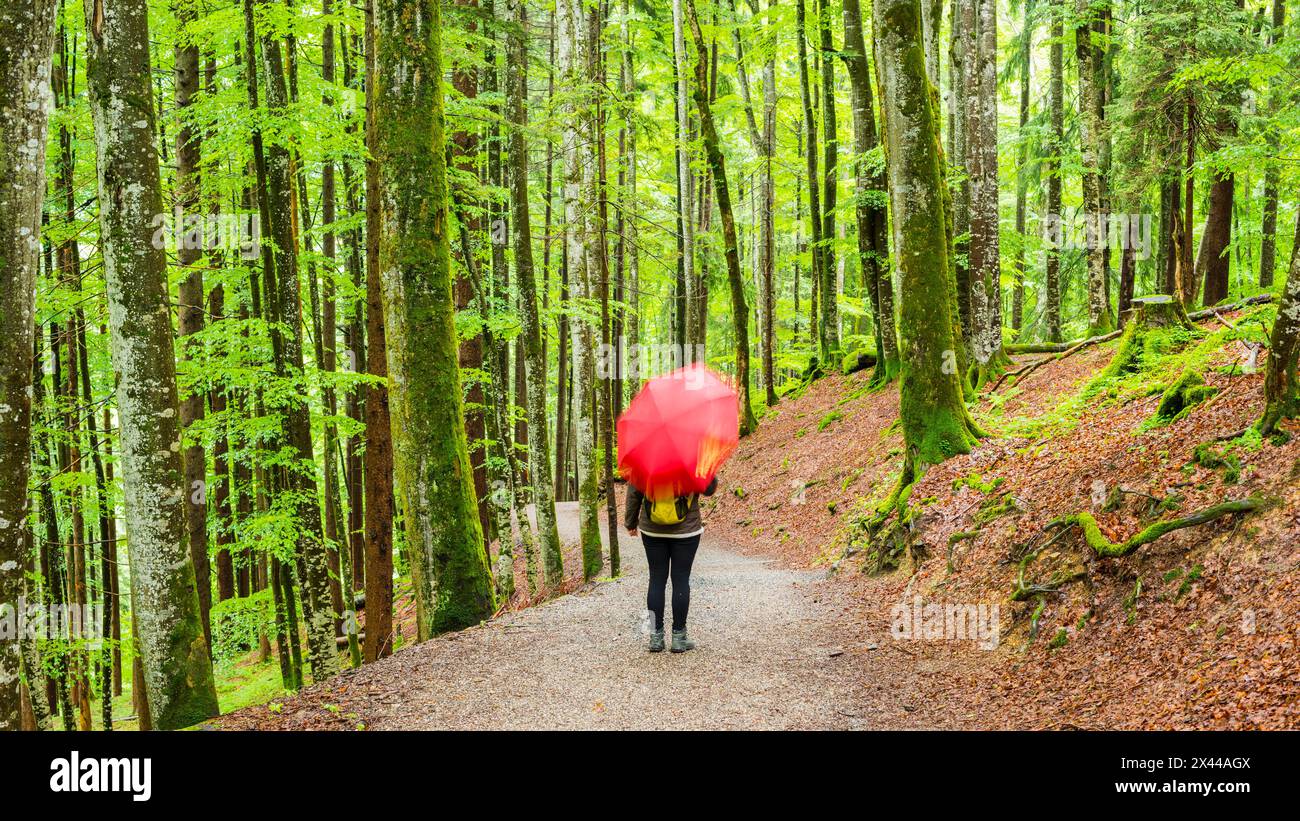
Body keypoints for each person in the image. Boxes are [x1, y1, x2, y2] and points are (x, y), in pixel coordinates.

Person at [624, 476, 718, 653]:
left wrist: (630, 522)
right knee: (681, 580)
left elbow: (634, 492)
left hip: (652, 530)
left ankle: (655, 638)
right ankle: (679, 639)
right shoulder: (691, 457)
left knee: (656, 580)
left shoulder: (645, 458)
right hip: (687, 530)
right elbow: (709, 489)